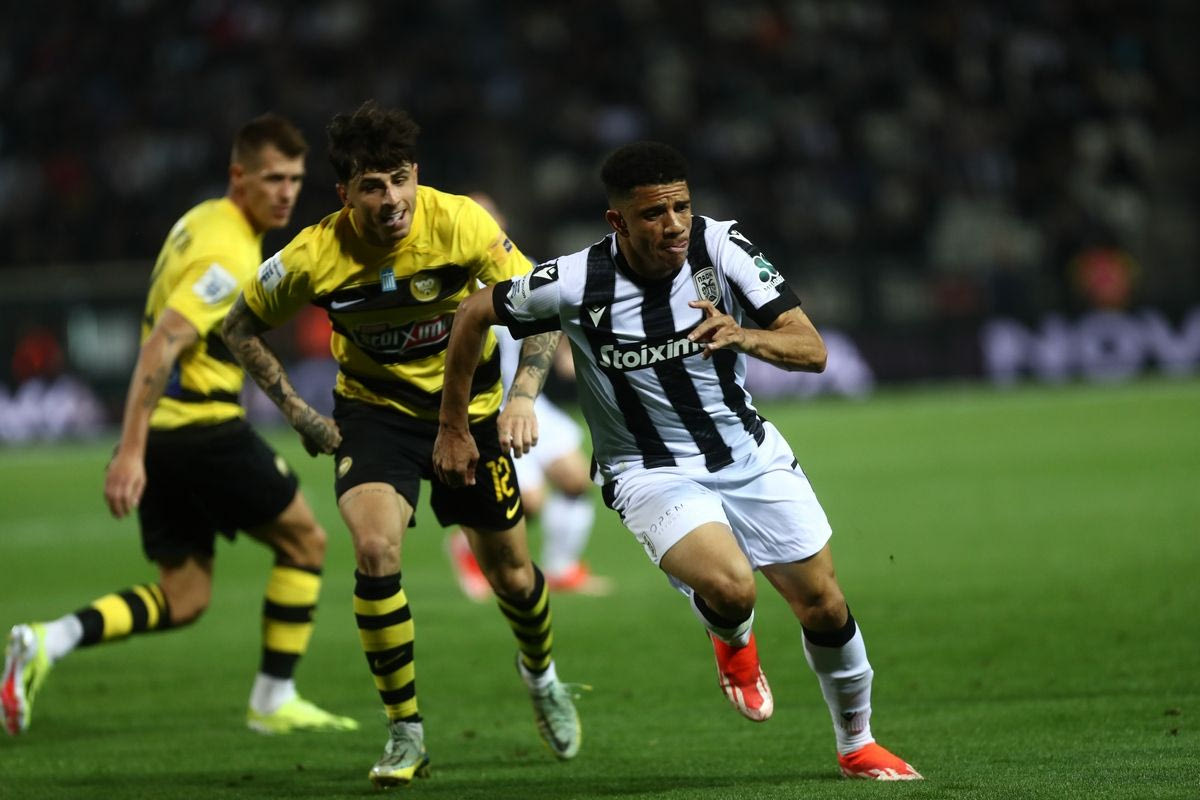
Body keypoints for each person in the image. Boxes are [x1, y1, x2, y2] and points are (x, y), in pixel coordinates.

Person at [434, 141, 923, 782]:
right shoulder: (576, 278)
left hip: (747, 452)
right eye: (653, 214)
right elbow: (475, 311)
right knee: (731, 585)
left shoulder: (722, 249)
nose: (673, 225)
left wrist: (743, 334)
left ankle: (857, 745)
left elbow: (812, 350)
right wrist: (457, 425)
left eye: (682, 207)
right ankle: (734, 640)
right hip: (647, 468)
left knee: (824, 606)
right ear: (618, 221)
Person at [220, 101, 581, 788]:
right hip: (376, 416)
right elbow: (238, 326)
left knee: (512, 576)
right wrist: (298, 413)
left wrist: (523, 396)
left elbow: (542, 306)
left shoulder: (462, 224)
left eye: (399, 179)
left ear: (416, 174)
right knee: (376, 550)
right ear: (345, 193)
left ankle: (541, 676)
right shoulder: (313, 255)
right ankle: (404, 731)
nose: (391, 200)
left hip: (472, 414)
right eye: (371, 186)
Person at [2, 114, 356, 738]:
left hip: (171, 436)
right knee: (307, 542)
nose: (286, 193)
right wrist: (128, 452)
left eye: (295, 179)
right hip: (202, 429)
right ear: (239, 177)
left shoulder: (201, 221)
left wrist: (142, 447)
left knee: (184, 596)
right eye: (273, 179)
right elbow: (162, 343)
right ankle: (273, 700)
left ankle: (48, 640)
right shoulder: (226, 251)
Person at [446, 194, 611, 601]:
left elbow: (553, 314)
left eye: (490, 215)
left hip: (526, 397)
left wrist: (567, 354)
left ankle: (562, 569)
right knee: (530, 504)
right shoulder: (448, 282)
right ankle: (467, 547)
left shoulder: (524, 269)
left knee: (576, 478)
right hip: (485, 407)